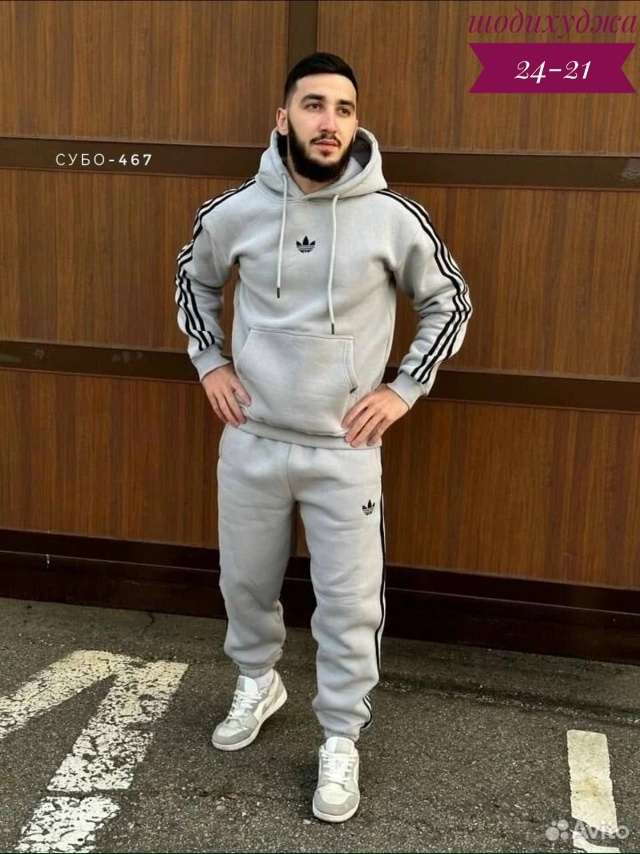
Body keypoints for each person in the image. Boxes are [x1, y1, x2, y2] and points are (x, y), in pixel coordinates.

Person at [175, 52, 472, 823]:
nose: (329, 121)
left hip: (344, 450)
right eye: (313, 105)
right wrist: (210, 361)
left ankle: (340, 736)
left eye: (344, 108)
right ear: (283, 119)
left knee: (347, 604)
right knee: (245, 583)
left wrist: (402, 389)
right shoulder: (235, 211)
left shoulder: (393, 218)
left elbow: (450, 303)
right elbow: (194, 279)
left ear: (356, 122)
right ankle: (257, 681)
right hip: (251, 439)